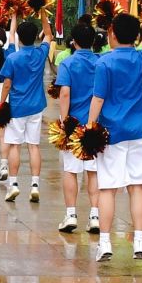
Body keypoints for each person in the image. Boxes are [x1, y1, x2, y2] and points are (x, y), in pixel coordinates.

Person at [83, 4, 142, 262]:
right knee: (137, 187)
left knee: (108, 188)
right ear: (136, 35)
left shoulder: (104, 62)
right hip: (139, 132)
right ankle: (140, 243)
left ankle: (105, 244)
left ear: (112, 33)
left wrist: (90, 127)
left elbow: (98, 99)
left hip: (111, 134)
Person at [0, 17, 52, 204]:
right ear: (36, 36)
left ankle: (13, 184)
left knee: (15, 145)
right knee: (33, 146)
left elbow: (7, 84)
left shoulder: (13, 58)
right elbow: (49, 34)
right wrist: (42, 11)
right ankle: (35, 185)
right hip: (36, 106)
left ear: (18, 36)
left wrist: (2, 104)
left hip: (17, 107)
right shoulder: (41, 53)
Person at [53, 21, 102, 235]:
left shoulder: (68, 63)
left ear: (73, 42)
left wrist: (64, 122)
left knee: (71, 170)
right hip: (96, 124)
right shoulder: (101, 62)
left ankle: (71, 214)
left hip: (74, 125)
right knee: (94, 172)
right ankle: (95, 216)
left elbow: (64, 93)